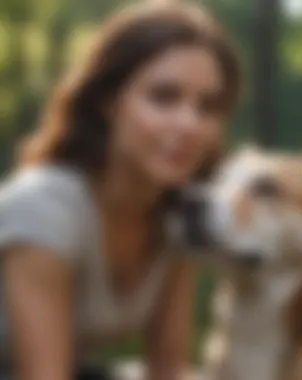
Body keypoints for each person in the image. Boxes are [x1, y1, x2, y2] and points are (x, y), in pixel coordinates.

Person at [0, 1, 241, 379]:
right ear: (108, 102)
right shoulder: (44, 210)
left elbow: (167, 369)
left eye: (208, 107)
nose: (189, 124)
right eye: (164, 97)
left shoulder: (176, 217)